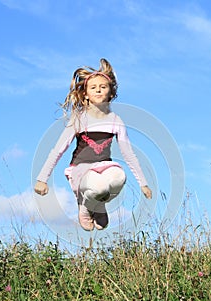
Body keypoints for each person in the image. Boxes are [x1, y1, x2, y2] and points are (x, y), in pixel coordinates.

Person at [34, 58, 152, 231]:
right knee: (99, 186)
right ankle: (84, 208)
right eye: (93, 87)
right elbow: (58, 150)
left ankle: (98, 205)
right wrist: (42, 179)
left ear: (110, 93)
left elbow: (128, 153)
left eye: (103, 87)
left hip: (104, 166)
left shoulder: (116, 121)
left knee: (119, 177)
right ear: (86, 94)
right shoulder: (79, 119)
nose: (98, 90)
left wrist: (143, 182)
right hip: (81, 170)